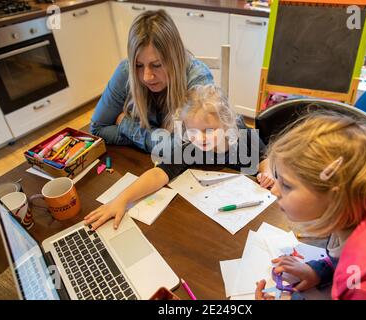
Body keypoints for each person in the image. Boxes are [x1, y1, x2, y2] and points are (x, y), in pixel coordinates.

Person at [255, 111, 366, 300]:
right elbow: (348, 255)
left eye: (287, 185)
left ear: (335, 196)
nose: (274, 191)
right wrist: (320, 270)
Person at [85, 84, 275, 230]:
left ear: (227, 124)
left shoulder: (243, 138)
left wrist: (267, 173)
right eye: (192, 130)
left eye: (208, 130)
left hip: (245, 214)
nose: (199, 138)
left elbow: (264, 160)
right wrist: (122, 199)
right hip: (204, 219)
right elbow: (158, 174)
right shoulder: (189, 146)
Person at [90, 9, 214, 152]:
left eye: (156, 65)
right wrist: (155, 143)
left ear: (176, 59)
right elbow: (98, 128)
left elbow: (190, 148)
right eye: (138, 65)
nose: (146, 77)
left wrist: (126, 125)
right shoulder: (126, 71)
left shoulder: (199, 79)